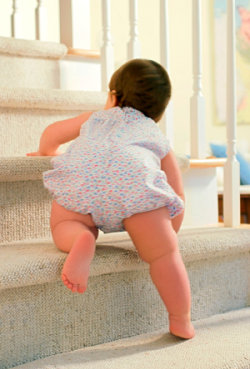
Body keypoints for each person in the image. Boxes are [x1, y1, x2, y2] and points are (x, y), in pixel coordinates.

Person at [27, 59, 195, 339]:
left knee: (65, 222)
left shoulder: (94, 118)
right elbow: (177, 193)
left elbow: (52, 134)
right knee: (165, 254)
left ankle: (81, 239)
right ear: (159, 111)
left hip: (84, 181)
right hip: (133, 183)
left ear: (114, 97)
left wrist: (46, 151)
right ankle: (181, 319)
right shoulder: (154, 134)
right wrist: (168, 230)